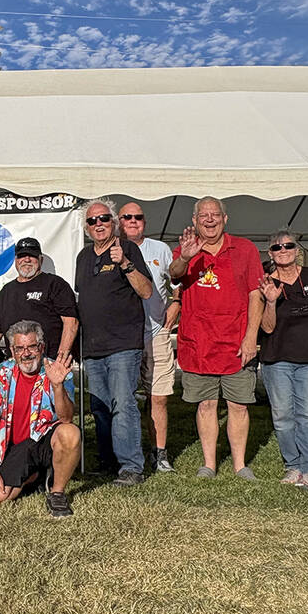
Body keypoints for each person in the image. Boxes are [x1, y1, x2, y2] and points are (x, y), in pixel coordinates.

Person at [169, 197, 263, 481]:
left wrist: (251, 337)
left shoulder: (244, 248)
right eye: (203, 215)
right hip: (198, 342)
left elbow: (255, 294)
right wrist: (185, 257)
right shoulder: (187, 247)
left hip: (236, 343)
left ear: (225, 218)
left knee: (238, 405)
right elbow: (174, 275)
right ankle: (209, 464)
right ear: (195, 220)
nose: (209, 220)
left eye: (215, 215)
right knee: (206, 404)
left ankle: (239, 465)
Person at [75, 198, 153, 485]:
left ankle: (132, 466)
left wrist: (126, 264)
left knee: (123, 404)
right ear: (86, 227)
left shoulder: (128, 249)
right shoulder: (83, 257)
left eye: (104, 219)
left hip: (123, 345)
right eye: (92, 221)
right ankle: (108, 461)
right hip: (92, 347)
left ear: (115, 222)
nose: (98, 224)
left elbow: (146, 292)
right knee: (100, 408)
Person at [0, 320, 81, 517]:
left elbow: (67, 418)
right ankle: (34, 478)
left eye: (32, 347)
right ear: (12, 350)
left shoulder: (55, 369)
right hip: (16, 448)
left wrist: (57, 386)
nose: (26, 353)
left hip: (42, 441)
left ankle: (57, 493)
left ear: (41, 347)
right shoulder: (1, 372)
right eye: (19, 348)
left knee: (71, 433)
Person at [257, 229, 308, 491]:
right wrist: (271, 301)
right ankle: (293, 465)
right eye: (277, 247)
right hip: (278, 359)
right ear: (270, 253)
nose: (283, 250)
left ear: (298, 249)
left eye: (288, 245)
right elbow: (266, 328)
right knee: (283, 416)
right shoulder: (266, 283)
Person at [118, 202, 180, 473]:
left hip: (156, 332)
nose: (133, 221)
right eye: (127, 217)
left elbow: (178, 281)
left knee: (159, 396)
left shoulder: (161, 249)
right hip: (122, 338)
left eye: (138, 217)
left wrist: (177, 301)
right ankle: (124, 453)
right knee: (125, 398)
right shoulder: (110, 249)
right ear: (118, 222)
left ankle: (159, 453)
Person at [0, 236, 78, 369]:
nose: (27, 259)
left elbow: (71, 322)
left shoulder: (55, 284)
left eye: (32, 255)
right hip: (17, 366)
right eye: (22, 256)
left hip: (49, 364)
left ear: (40, 259)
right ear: (15, 261)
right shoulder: (5, 292)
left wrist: (61, 359)